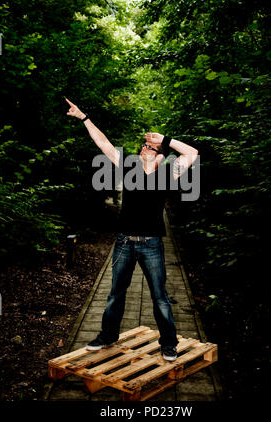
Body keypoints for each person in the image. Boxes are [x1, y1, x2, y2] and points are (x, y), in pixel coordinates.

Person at [65, 98, 198, 361]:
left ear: (161, 156)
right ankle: (108, 335)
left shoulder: (168, 175)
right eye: (144, 145)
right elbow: (103, 143)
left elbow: (192, 153)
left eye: (151, 147)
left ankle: (168, 343)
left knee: (160, 297)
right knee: (116, 292)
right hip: (124, 243)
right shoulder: (128, 167)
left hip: (152, 245)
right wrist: (84, 117)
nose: (145, 148)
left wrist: (165, 139)